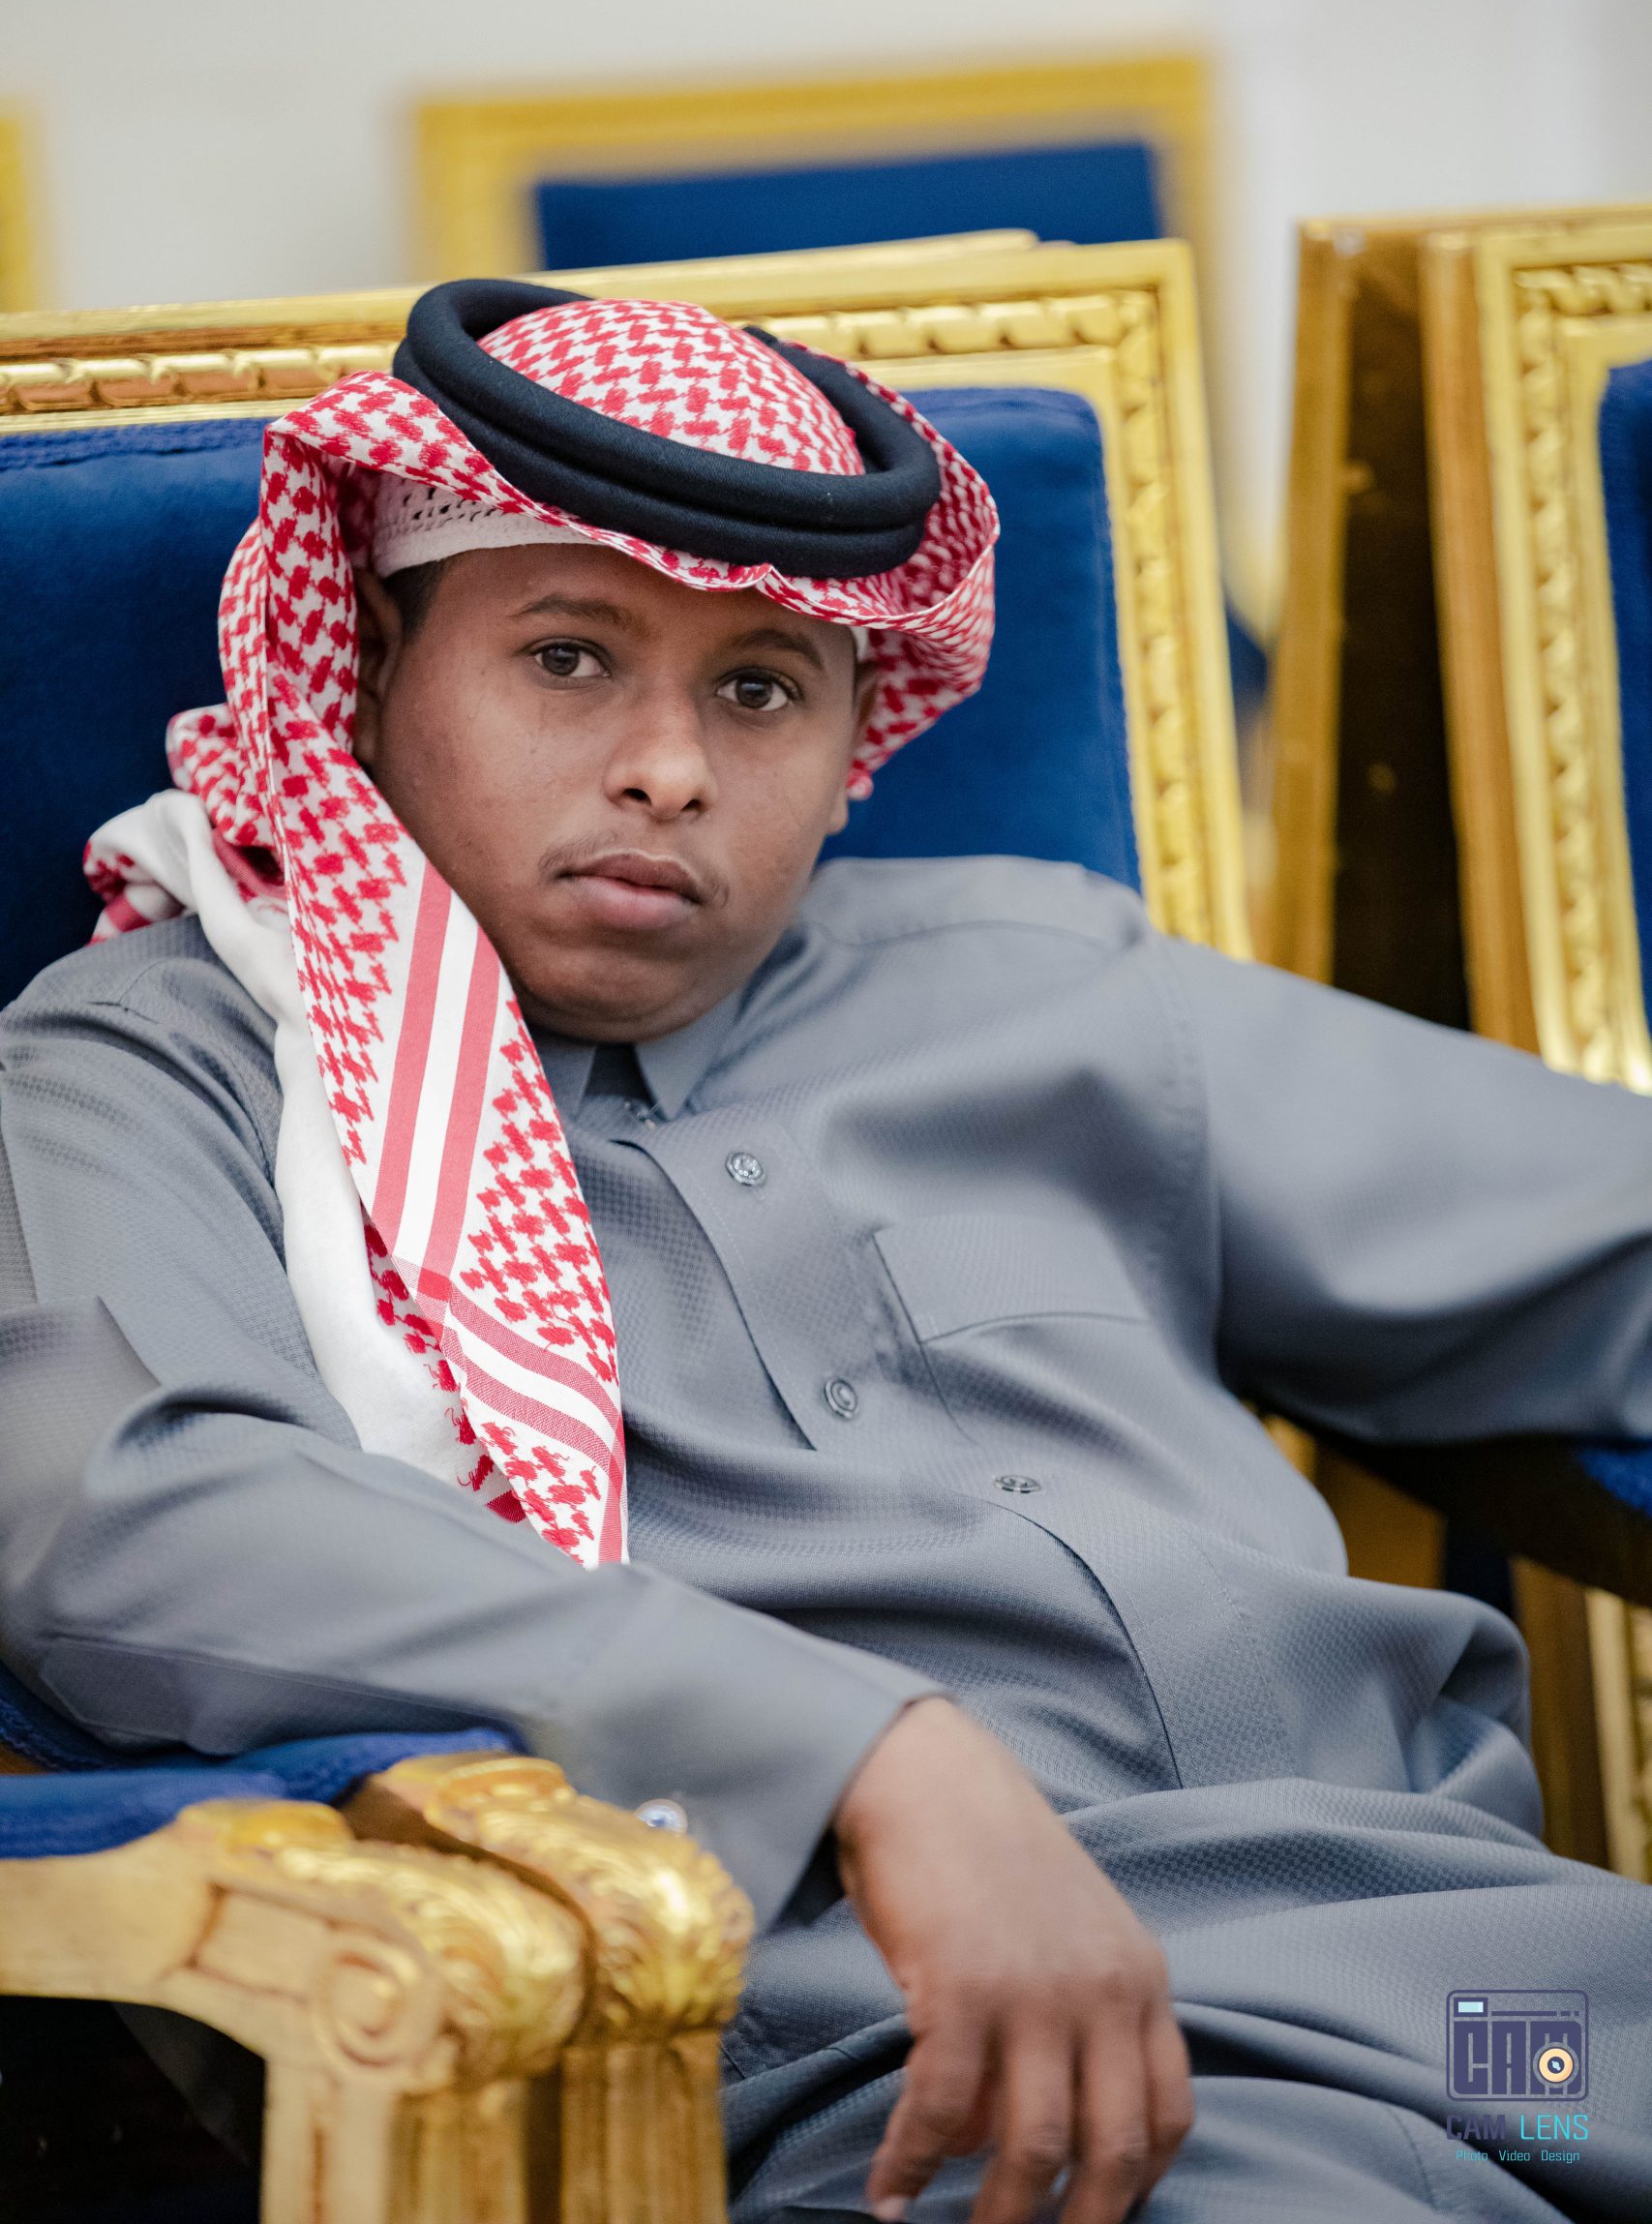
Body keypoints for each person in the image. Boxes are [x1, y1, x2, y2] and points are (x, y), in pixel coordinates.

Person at [2, 279, 1650, 2224]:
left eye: (761, 688)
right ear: (368, 659)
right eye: (565, 657)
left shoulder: (1037, 979)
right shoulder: (165, 1058)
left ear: (861, 721)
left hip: (1507, 2016)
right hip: (968, 2082)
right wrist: (858, 1748)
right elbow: (122, 1505)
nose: (668, 768)